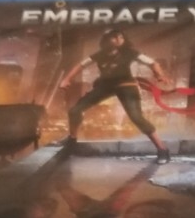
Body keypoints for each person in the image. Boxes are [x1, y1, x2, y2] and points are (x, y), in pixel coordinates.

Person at [56, 30, 172, 163]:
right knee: (75, 110)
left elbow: (152, 63)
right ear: (106, 40)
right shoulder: (99, 55)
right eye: (114, 37)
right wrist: (67, 79)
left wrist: (159, 75)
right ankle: (72, 140)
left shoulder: (129, 52)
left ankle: (162, 150)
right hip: (105, 86)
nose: (118, 39)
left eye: (121, 37)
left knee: (137, 117)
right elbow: (80, 65)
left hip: (126, 86)